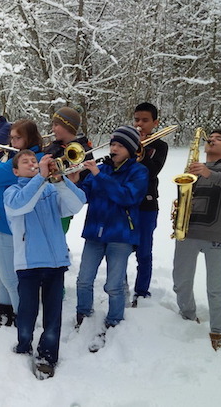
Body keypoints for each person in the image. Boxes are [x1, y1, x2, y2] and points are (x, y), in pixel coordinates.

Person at [5, 150, 86, 379]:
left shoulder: (52, 188)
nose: (31, 164)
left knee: (53, 313)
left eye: (34, 160)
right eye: (25, 162)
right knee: (27, 311)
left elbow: (76, 204)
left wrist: (60, 181)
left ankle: (48, 356)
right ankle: (23, 344)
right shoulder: (12, 192)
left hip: (55, 262)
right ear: (15, 171)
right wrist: (40, 178)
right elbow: (21, 206)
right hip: (28, 264)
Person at [73, 126, 148, 351]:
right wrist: (74, 181)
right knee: (83, 279)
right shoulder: (102, 168)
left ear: (131, 149)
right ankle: (83, 313)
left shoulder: (139, 171)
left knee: (114, 285)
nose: (114, 148)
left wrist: (98, 175)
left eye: (120, 145)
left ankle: (115, 320)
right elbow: (83, 196)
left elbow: (127, 196)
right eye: (113, 144)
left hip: (121, 234)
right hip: (95, 232)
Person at [172, 130, 221, 351]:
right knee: (181, 282)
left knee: (215, 287)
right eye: (210, 138)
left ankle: (219, 330)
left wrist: (209, 174)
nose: (212, 140)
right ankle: (187, 317)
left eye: (219, 139)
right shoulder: (193, 168)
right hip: (187, 233)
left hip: (217, 235)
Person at [0, 119, 45, 327]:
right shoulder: (18, 157)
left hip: (6, 225)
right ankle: (5, 313)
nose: (14, 142)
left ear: (30, 138)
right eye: (12, 138)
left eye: (18, 138)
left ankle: (23, 321)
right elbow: (5, 172)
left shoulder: (29, 159)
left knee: (10, 278)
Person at [130, 102, 169, 307]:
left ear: (155, 123)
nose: (140, 124)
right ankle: (117, 287)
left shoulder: (160, 146)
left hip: (147, 203)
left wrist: (142, 151)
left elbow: (152, 171)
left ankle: (141, 291)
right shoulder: (126, 141)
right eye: (137, 120)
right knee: (119, 248)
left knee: (144, 251)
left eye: (145, 120)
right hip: (125, 203)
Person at [42, 105, 93, 231]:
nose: (53, 129)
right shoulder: (52, 146)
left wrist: (74, 180)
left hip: (65, 204)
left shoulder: (83, 150)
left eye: (56, 125)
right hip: (46, 199)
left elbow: (85, 181)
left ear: (67, 126)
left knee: (57, 235)